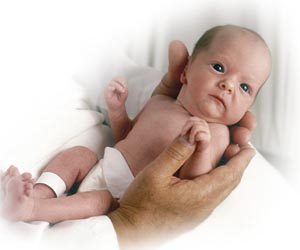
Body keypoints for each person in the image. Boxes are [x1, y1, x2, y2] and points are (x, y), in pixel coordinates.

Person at [1, 25, 268, 227]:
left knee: (97, 201)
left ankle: (32, 211)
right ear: (185, 71)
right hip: (104, 165)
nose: (229, 85)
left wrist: (199, 149)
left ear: (248, 106)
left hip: (123, 197)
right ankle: (38, 193)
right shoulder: (161, 101)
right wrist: (116, 109)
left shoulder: (215, 133)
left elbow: (192, 181)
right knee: (79, 155)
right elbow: (127, 136)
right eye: (219, 67)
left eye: (245, 87)